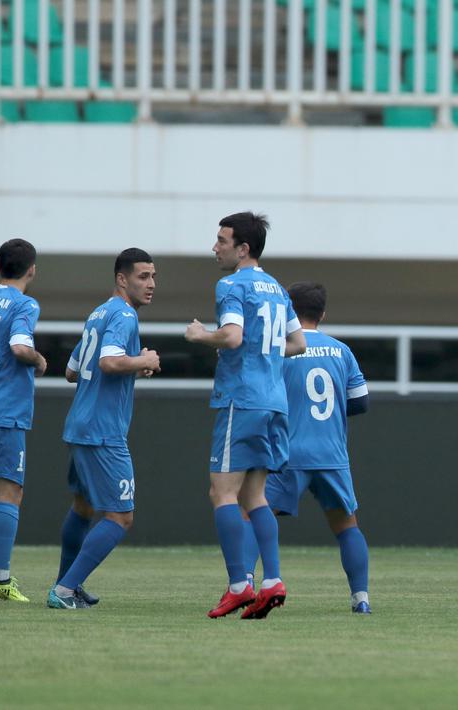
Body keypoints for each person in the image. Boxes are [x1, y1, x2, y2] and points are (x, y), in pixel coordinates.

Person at [185, 212, 306, 620]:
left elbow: (232, 335)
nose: (214, 247)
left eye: (222, 240)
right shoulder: (276, 288)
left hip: (242, 398)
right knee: (255, 497)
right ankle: (271, 579)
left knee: (221, 492)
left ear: (243, 249)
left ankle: (239, 585)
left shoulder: (231, 284)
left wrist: (201, 335)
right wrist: (263, 351)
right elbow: (298, 342)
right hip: (274, 401)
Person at [250, 282, 373, 614]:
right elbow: (360, 403)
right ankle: (360, 598)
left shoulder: (283, 349)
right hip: (332, 455)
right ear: (323, 313)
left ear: (289, 311)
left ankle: (245, 586)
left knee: (256, 515)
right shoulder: (341, 350)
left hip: (289, 454)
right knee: (347, 526)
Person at [49, 249, 161, 609]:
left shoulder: (98, 313)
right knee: (120, 516)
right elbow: (108, 361)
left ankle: (67, 585)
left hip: (79, 425)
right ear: (121, 279)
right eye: (143, 276)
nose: (151, 284)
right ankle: (65, 590)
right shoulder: (124, 315)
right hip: (102, 431)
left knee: (83, 507)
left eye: (153, 276)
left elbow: (71, 371)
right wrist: (143, 360)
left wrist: (132, 368)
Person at [0, 239, 46, 604]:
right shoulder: (25, 304)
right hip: (4, 412)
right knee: (8, 492)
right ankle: (0, 580)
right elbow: (19, 347)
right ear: (31, 270)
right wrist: (40, 360)